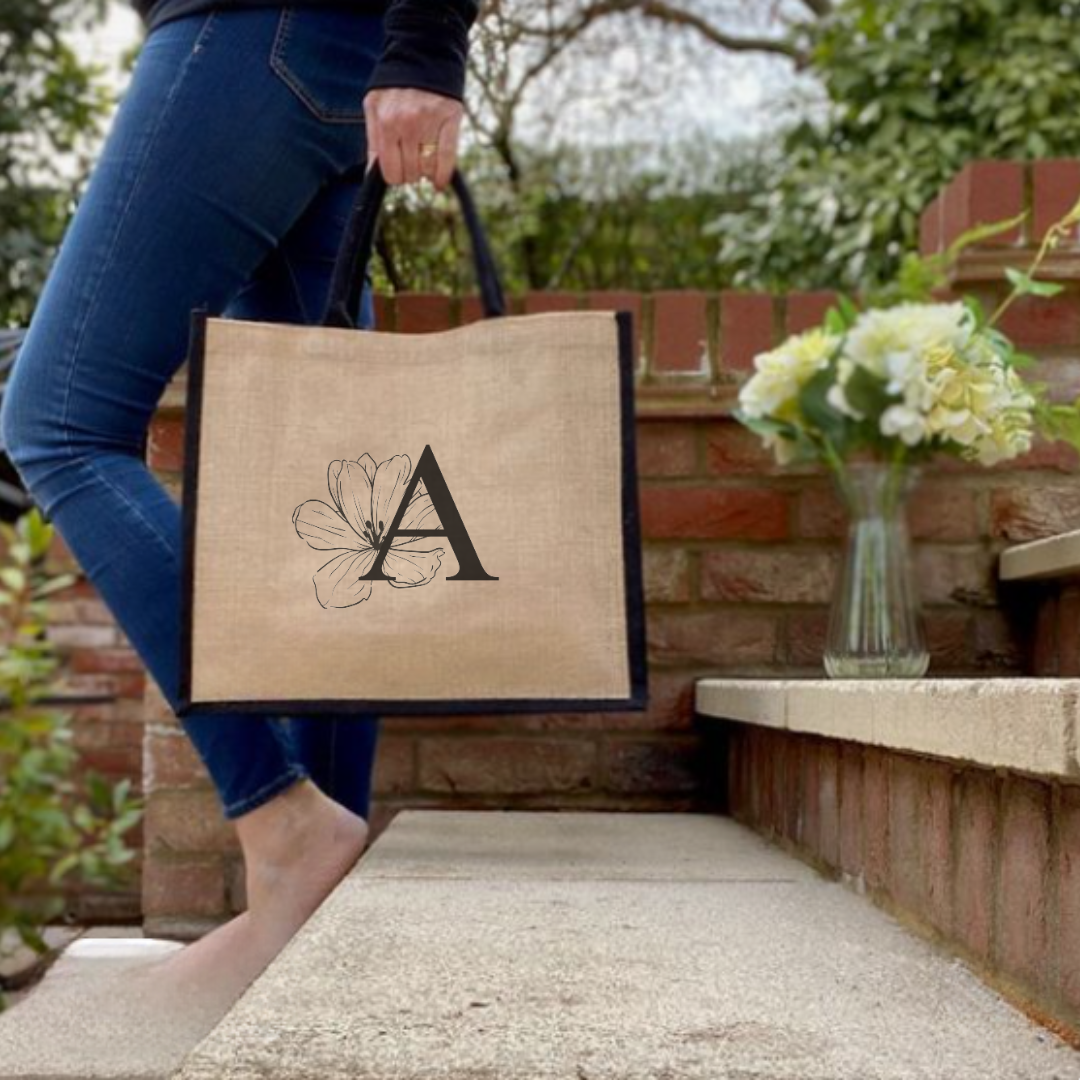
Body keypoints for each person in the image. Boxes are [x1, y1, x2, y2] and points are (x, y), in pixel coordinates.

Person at [0, 0, 479, 1011]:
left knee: (58, 423)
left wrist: (432, 41)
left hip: (250, 35)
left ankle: (286, 822)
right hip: (325, 49)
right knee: (331, 491)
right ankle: (313, 917)